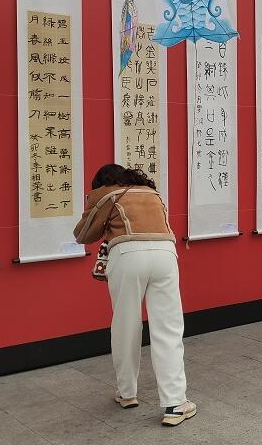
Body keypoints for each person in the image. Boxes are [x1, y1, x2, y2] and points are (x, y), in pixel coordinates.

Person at [73, 164, 196, 427]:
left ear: (101, 181)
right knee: (168, 329)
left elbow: (82, 235)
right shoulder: (152, 193)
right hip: (165, 254)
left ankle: (127, 393)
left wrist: (93, 202)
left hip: (127, 255)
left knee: (126, 326)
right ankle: (175, 403)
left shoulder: (106, 194)